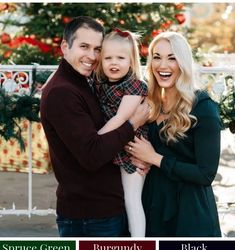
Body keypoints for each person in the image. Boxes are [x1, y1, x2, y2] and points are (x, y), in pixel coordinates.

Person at [40, 16, 149, 237]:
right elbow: (91, 154)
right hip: (89, 217)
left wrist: (143, 153)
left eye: (97, 49)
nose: (92, 56)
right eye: (84, 47)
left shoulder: (84, 80)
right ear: (65, 47)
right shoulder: (62, 92)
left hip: (105, 209)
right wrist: (132, 124)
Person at [127, 31, 222, 236]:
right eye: (157, 57)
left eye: (172, 58)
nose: (163, 66)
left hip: (189, 216)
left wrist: (154, 158)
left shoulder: (203, 108)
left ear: (183, 63)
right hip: (153, 208)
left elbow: (206, 174)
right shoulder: (149, 105)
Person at [95, 28, 148, 237]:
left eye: (120, 57)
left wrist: (93, 141)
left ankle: (139, 244)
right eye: (108, 57)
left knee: (132, 199)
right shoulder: (102, 83)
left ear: (131, 60)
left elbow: (120, 118)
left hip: (131, 151)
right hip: (114, 145)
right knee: (116, 198)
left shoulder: (135, 85)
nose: (113, 63)